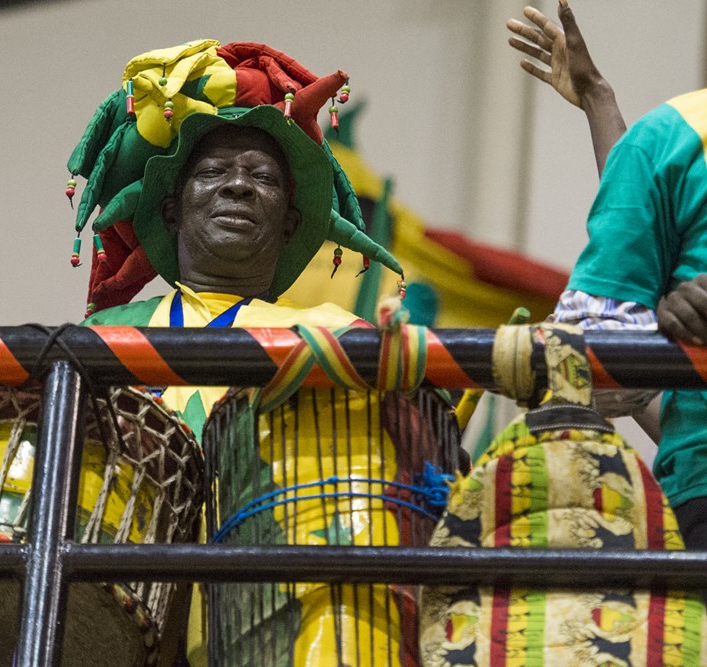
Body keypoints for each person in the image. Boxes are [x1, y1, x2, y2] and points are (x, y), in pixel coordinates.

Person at [71, 41, 437, 667]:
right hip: (117, 619)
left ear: (293, 223)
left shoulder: (337, 333)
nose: (238, 185)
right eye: (213, 173)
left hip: (278, 626)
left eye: (263, 177)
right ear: (171, 209)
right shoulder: (107, 335)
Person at [508, 1, 707, 547]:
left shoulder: (667, 138)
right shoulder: (666, 141)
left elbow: (589, 367)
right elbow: (595, 370)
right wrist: (658, 347)